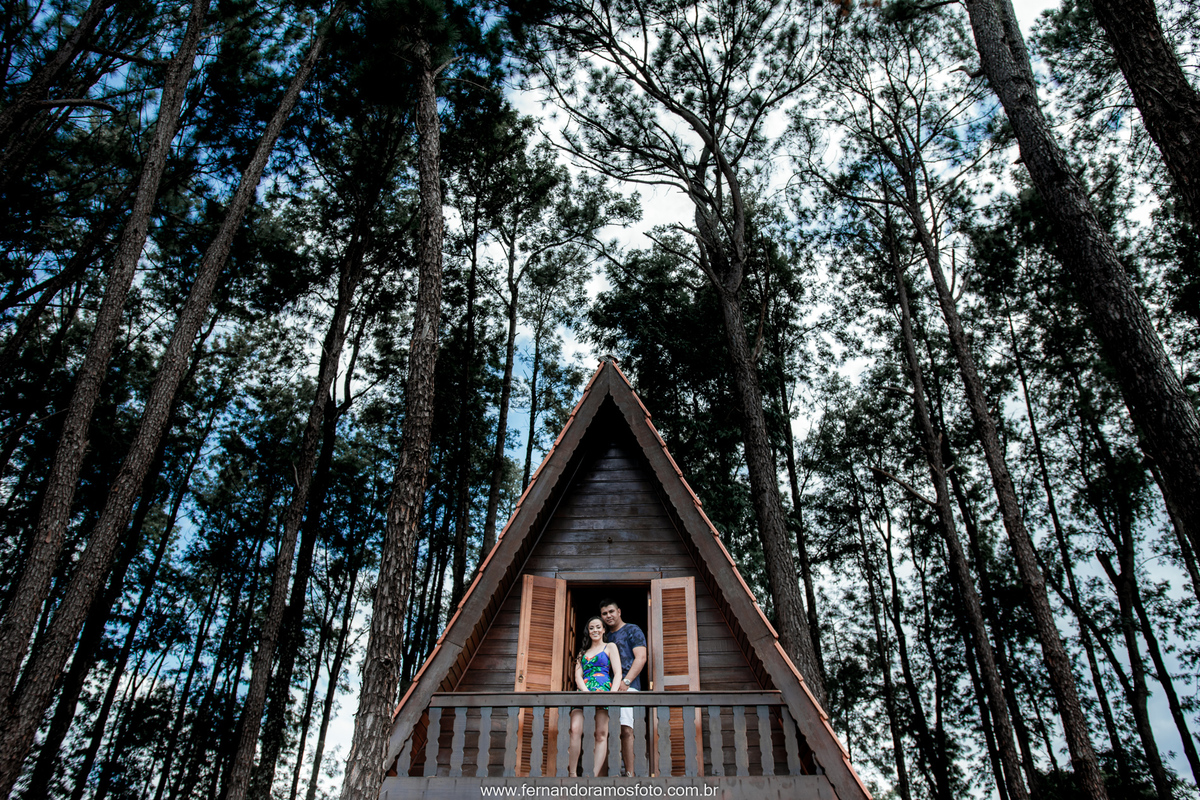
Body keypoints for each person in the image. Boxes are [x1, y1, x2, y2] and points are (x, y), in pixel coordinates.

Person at [567, 616, 622, 777]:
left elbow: (618, 673)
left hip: (604, 691)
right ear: (588, 632)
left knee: (600, 734)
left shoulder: (610, 647)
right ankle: (572, 774)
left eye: (598, 627)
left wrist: (612, 694)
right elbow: (577, 676)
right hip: (583, 692)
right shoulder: (582, 652)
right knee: (575, 729)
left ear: (604, 629)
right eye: (592, 628)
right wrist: (585, 692)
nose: (595, 630)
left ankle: (592, 775)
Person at [600, 598, 647, 777]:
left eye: (611, 611)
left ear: (619, 611)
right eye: (604, 613)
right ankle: (605, 774)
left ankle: (629, 774)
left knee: (626, 729)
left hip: (628, 687)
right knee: (605, 729)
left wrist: (626, 682)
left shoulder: (632, 630)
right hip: (606, 688)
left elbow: (641, 657)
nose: (608, 616)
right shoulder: (604, 636)